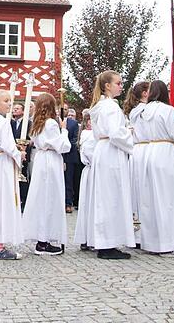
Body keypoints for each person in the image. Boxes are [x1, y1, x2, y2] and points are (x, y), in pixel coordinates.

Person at [74, 70, 134, 259]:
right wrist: (130, 135)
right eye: (118, 83)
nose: (121, 86)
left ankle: (104, 240)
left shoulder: (101, 106)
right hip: (110, 150)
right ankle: (107, 244)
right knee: (110, 196)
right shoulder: (110, 107)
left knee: (105, 196)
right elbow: (116, 133)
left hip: (104, 149)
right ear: (107, 86)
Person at [134, 81, 174, 254]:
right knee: (169, 198)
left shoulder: (141, 111)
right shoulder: (166, 110)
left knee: (152, 200)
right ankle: (170, 241)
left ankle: (153, 241)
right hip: (165, 154)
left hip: (148, 152)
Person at [22, 93, 70, 255]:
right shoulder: (50, 124)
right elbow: (63, 146)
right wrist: (64, 131)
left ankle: (43, 238)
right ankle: (44, 241)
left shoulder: (36, 123)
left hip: (41, 160)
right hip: (50, 161)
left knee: (42, 198)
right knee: (50, 199)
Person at [0, 90, 24, 260]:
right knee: (2, 201)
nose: (10, 103)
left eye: (10, 100)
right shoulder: (1, 122)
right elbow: (7, 145)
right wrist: (19, 154)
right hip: (2, 163)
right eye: (6, 101)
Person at [122, 81, 150, 232]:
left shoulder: (134, 110)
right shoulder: (146, 110)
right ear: (145, 93)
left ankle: (138, 226)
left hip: (136, 151)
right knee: (145, 191)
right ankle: (144, 228)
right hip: (145, 148)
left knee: (137, 189)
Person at [75, 109, 95, 251]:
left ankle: (88, 237)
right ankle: (89, 237)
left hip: (91, 172)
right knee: (91, 204)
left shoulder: (89, 135)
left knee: (89, 204)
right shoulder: (89, 136)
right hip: (92, 171)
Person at [63, 107, 80, 213]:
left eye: (65, 109)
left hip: (68, 155)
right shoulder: (53, 121)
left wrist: (65, 145)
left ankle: (68, 203)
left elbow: (75, 139)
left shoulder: (73, 124)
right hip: (55, 154)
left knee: (68, 180)